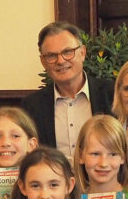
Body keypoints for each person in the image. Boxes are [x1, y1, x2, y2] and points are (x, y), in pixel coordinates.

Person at [21, 21, 114, 157]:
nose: (61, 60)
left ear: (82, 53)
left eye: (67, 52)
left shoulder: (112, 94)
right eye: (52, 56)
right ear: (43, 61)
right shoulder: (32, 106)